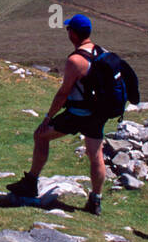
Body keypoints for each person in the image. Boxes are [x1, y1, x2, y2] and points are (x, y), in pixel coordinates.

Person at [7, 14, 123, 216]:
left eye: (69, 29)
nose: (67, 33)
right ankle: (95, 201)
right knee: (95, 155)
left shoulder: (75, 60)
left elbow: (63, 93)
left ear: (74, 33)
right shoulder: (102, 52)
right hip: (98, 114)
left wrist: (47, 117)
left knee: (40, 135)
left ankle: (31, 182)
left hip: (78, 114)